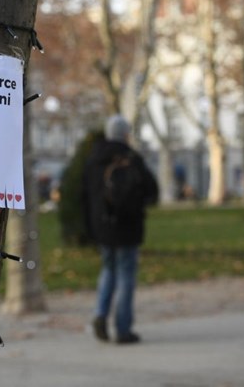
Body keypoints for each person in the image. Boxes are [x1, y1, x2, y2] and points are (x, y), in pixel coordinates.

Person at [83, 115, 158, 344]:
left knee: (108, 270)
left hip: (103, 227)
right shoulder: (132, 158)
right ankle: (123, 329)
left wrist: (91, 227)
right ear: (125, 134)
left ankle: (100, 314)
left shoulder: (94, 159)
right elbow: (152, 190)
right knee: (126, 275)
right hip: (128, 226)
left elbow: (84, 197)